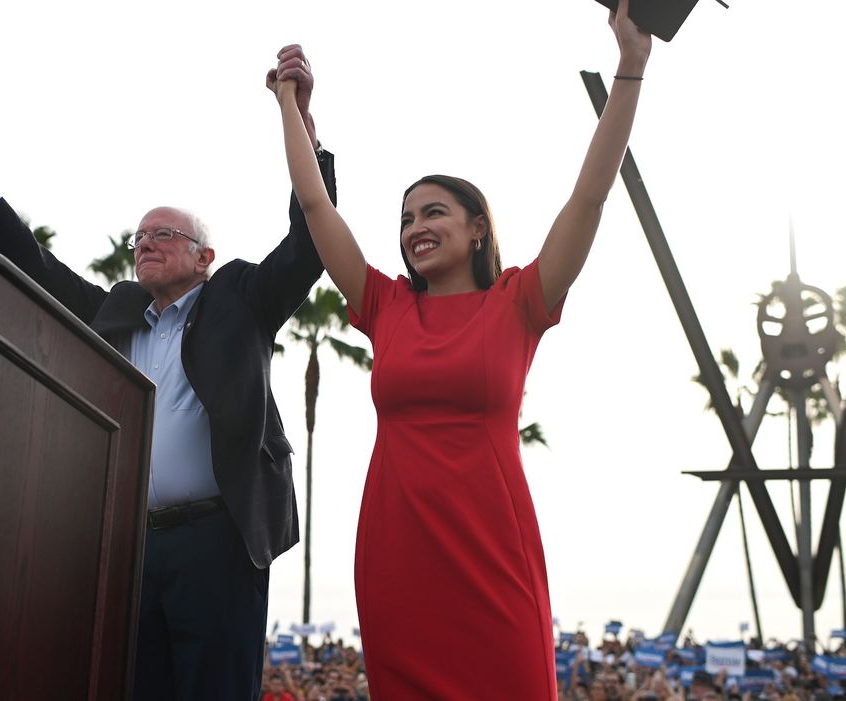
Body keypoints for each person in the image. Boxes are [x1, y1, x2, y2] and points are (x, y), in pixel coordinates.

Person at [0, 52, 335, 701]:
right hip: (130, 547)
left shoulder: (240, 297)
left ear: (203, 257)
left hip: (217, 542)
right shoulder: (115, 311)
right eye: (139, 236)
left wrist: (300, 119)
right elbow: (32, 265)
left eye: (163, 234)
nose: (144, 243)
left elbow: (309, 240)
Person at [267, 0, 652, 696]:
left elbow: (588, 198)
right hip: (396, 551)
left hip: (490, 551)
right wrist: (291, 106)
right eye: (406, 217)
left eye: (433, 212)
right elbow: (318, 208)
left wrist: (630, 67)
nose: (414, 226)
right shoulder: (383, 305)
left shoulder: (520, 302)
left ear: (477, 227)